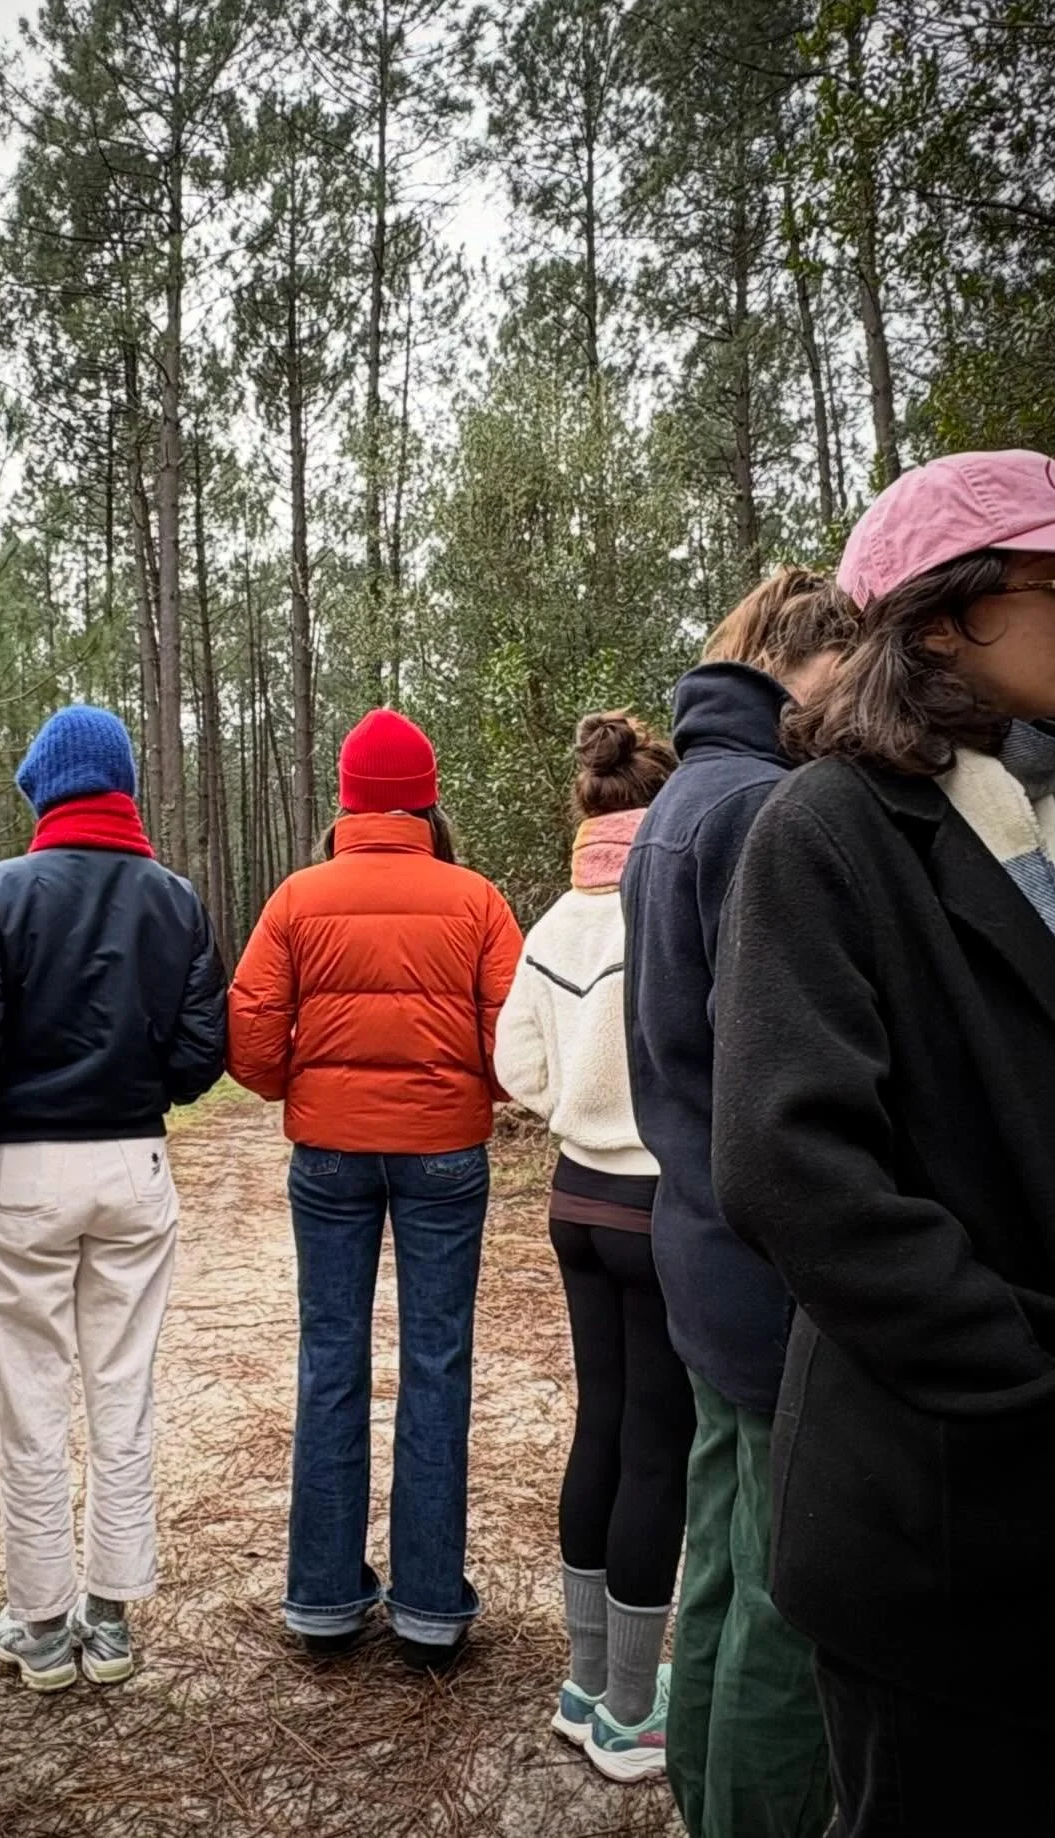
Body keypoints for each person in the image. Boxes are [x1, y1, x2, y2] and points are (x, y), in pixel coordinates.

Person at [714, 451, 1055, 1838]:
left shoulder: (1032, 814)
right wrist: (1027, 1373)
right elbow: (792, 1167)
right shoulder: (828, 831)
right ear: (938, 619)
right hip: (936, 1511)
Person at [621, 569, 857, 1838]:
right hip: (765, 1260)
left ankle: (706, 1799)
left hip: (697, 1239)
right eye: (847, 675)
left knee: (721, 1553)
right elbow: (774, 1068)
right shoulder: (767, 808)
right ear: (803, 666)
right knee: (784, 1586)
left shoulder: (681, 801)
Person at [227, 709, 523, 1671]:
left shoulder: (297, 899)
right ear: (428, 798)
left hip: (329, 1160)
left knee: (331, 1359)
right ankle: (431, 1607)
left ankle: (321, 1599)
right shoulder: (477, 900)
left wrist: (303, 1095)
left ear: (346, 801)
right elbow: (512, 1047)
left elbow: (254, 1041)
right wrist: (465, 1089)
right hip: (445, 1157)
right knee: (436, 1364)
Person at [0, 705, 227, 1693]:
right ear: (123, 785)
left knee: (30, 1401)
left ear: (44, 790)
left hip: (22, 1167)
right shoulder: (175, 899)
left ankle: (39, 1623)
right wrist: (138, 1082)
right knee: (124, 1390)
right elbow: (200, 1056)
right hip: (132, 1165)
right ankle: (109, 1620)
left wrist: (9, 1090)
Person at [495, 712, 694, 1783]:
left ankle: (585, 1687)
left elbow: (511, 1062)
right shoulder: (672, 901)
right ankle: (629, 1712)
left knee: (602, 1426)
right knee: (659, 1444)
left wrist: (576, 1108)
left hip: (576, 1200)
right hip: (657, 1202)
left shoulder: (554, 921)